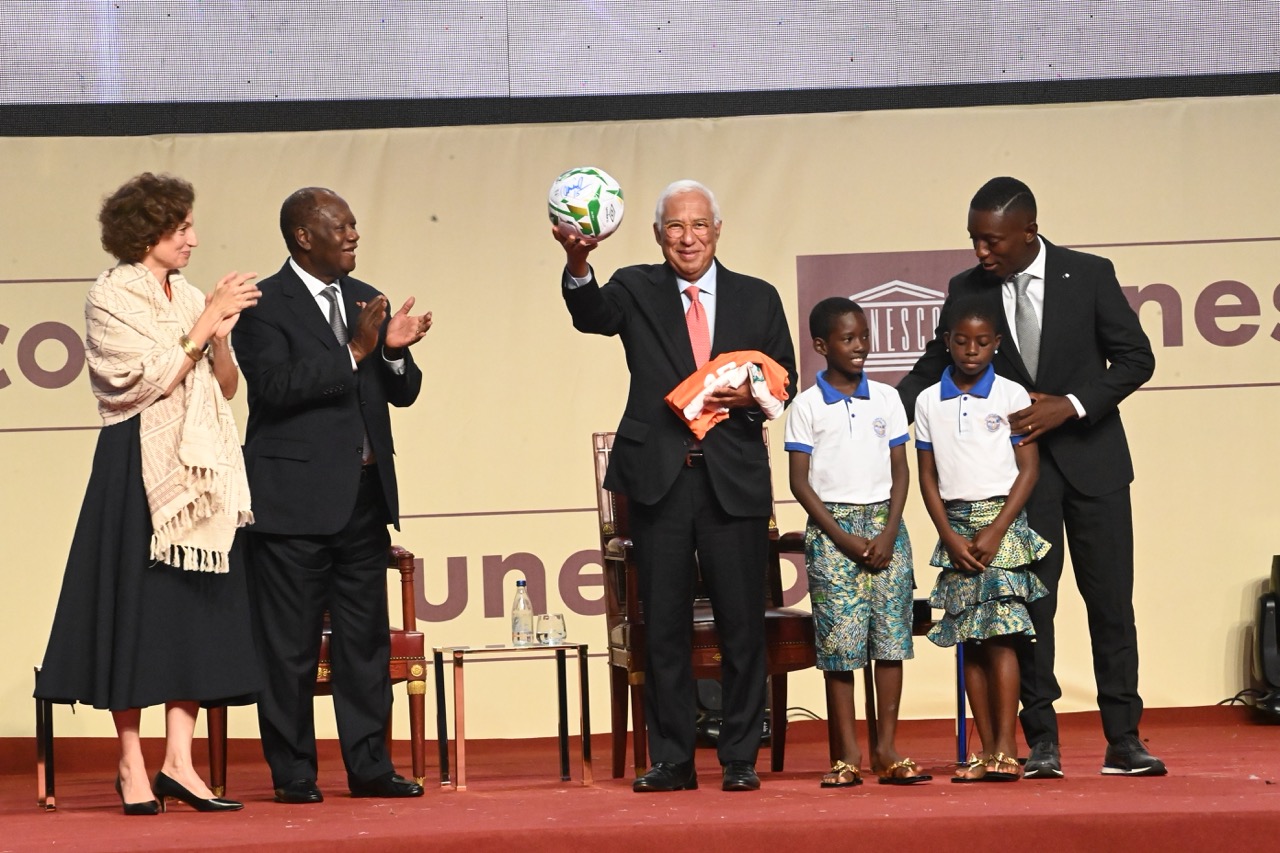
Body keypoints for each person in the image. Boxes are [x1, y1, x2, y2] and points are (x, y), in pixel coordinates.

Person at [898, 176, 1164, 777]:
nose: (980, 253)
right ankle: (1042, 740)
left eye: (991, 241)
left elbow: (1136, 358)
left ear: (1029, 231)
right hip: (1021, 481)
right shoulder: (968, 288)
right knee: (1029, 611)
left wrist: (1068, 403)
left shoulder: (1089, 274)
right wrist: (877, 409)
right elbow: (932, 367)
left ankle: (1125, 738)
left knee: (1110, 606)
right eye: (974, 240)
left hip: (1095, 465)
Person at [554, 179, 797, 792]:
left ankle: (739, 756)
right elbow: (591, 315)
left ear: (718, 231)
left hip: (731, 482)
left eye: (698, 226)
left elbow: (783, 375)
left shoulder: (757, 296)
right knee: (661, 626)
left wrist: (752, 395)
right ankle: (672, 760)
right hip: (658, 479)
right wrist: (577, 261)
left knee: (742, 623)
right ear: (657, 234)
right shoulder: (635, 287)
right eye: (674, 227)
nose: (687, 238)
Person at [34, 172, 261, 814]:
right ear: (148, 232)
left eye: (190, 226)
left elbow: (224, 388)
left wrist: (220, 335)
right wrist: (207, 320)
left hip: (201, 476)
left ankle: (179, 764)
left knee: (190, 613)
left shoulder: (190, 292)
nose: (193, 238)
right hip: (136, 466)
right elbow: (146, 381)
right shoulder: (111, 297)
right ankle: (131, 764)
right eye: (181, 227)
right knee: (135, 613)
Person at [233, 187, 432, 803]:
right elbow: (273, 388)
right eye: (341, 227)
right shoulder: (264, 306)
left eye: (353, 226)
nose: (353, 236)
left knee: (364, 644)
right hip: (292, 505)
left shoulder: (362, 297)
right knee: (289, 649)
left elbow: (400, 394)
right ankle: (293, 773)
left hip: (363, 500)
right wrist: (354, 353)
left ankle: (370, 767)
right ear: (303, 236)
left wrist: (394, 355)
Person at [785, 297, 930, 788]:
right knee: (840, 645)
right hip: (833, 533)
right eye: (848, 339)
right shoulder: (805, 406)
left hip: (886, 528)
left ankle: (886, 750)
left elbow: (900, 469)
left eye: (864, 336)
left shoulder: (888, 399)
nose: (860, 347)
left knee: (890, 641)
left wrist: (889, 531)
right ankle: (844, 755)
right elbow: (800, 483)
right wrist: (842, 537)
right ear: (822, 346)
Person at [913, 299, 1051, 783]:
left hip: (1002, 523)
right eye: (961, 341)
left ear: (996, 344)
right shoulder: (928, 401)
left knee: (1002, 637)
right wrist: (947, 535)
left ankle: (1006, 749)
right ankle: (984, 751)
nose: (971, 351)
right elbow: (927, 477)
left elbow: (1028, 469)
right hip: (956, 529)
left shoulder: (1012, 394)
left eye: (982, 342)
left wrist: (996, 530)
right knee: (969, 640)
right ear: (947, 341)